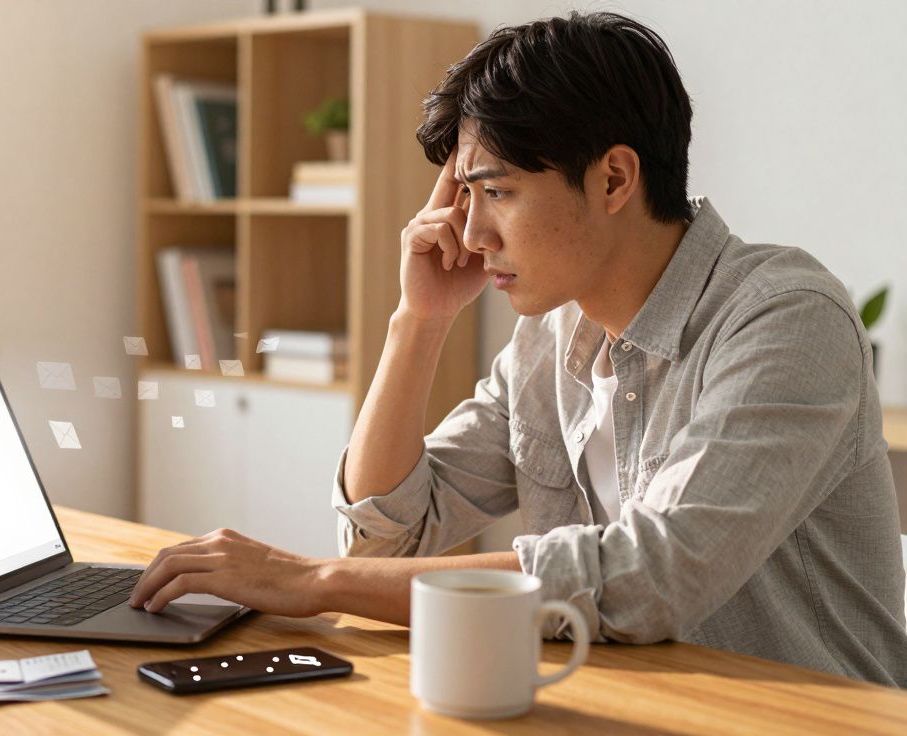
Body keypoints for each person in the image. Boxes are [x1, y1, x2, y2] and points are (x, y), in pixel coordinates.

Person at [127, 10, 907, 686]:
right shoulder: (550, 337)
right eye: (464, 198)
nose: (468, 233)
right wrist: (418, 321)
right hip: (628, 706)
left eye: (496, 192)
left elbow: (653, 574)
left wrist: (315, 582)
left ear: (613, 180)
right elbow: (387, 533)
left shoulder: (784, 318)